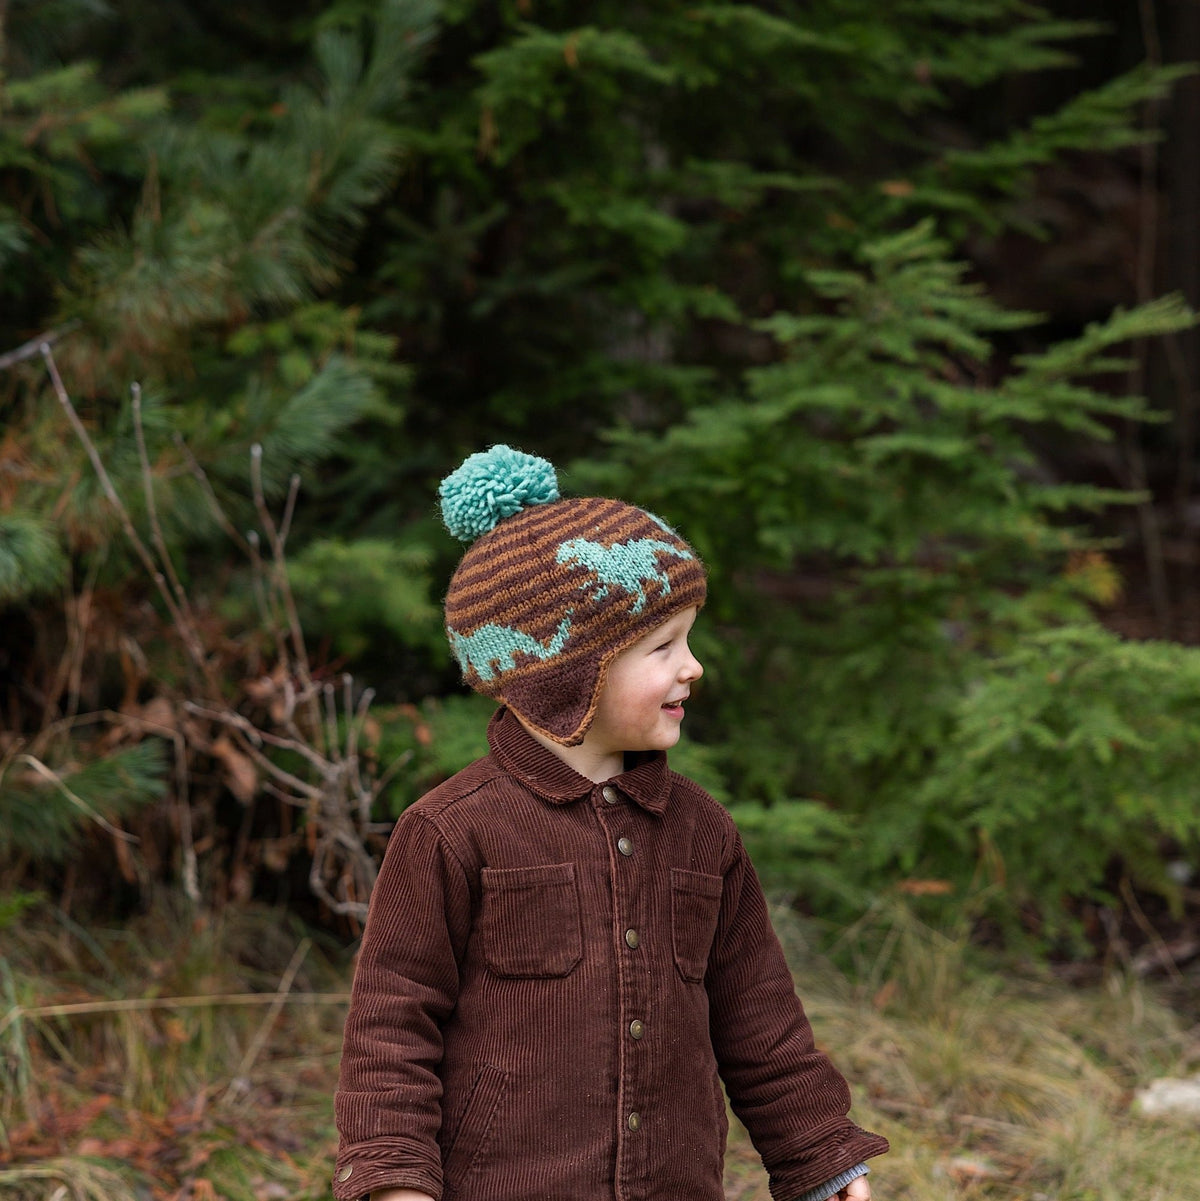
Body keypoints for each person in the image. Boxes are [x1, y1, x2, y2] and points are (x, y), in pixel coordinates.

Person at [333, 445, 888, 1201]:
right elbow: (391, 1027)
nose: (692, 666)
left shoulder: (702, 833)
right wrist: (395, 1178)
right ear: (568, 676)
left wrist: (823, 1159)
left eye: (688, 639)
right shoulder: (452, 832)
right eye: (662, 647)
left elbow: (760, 1021)